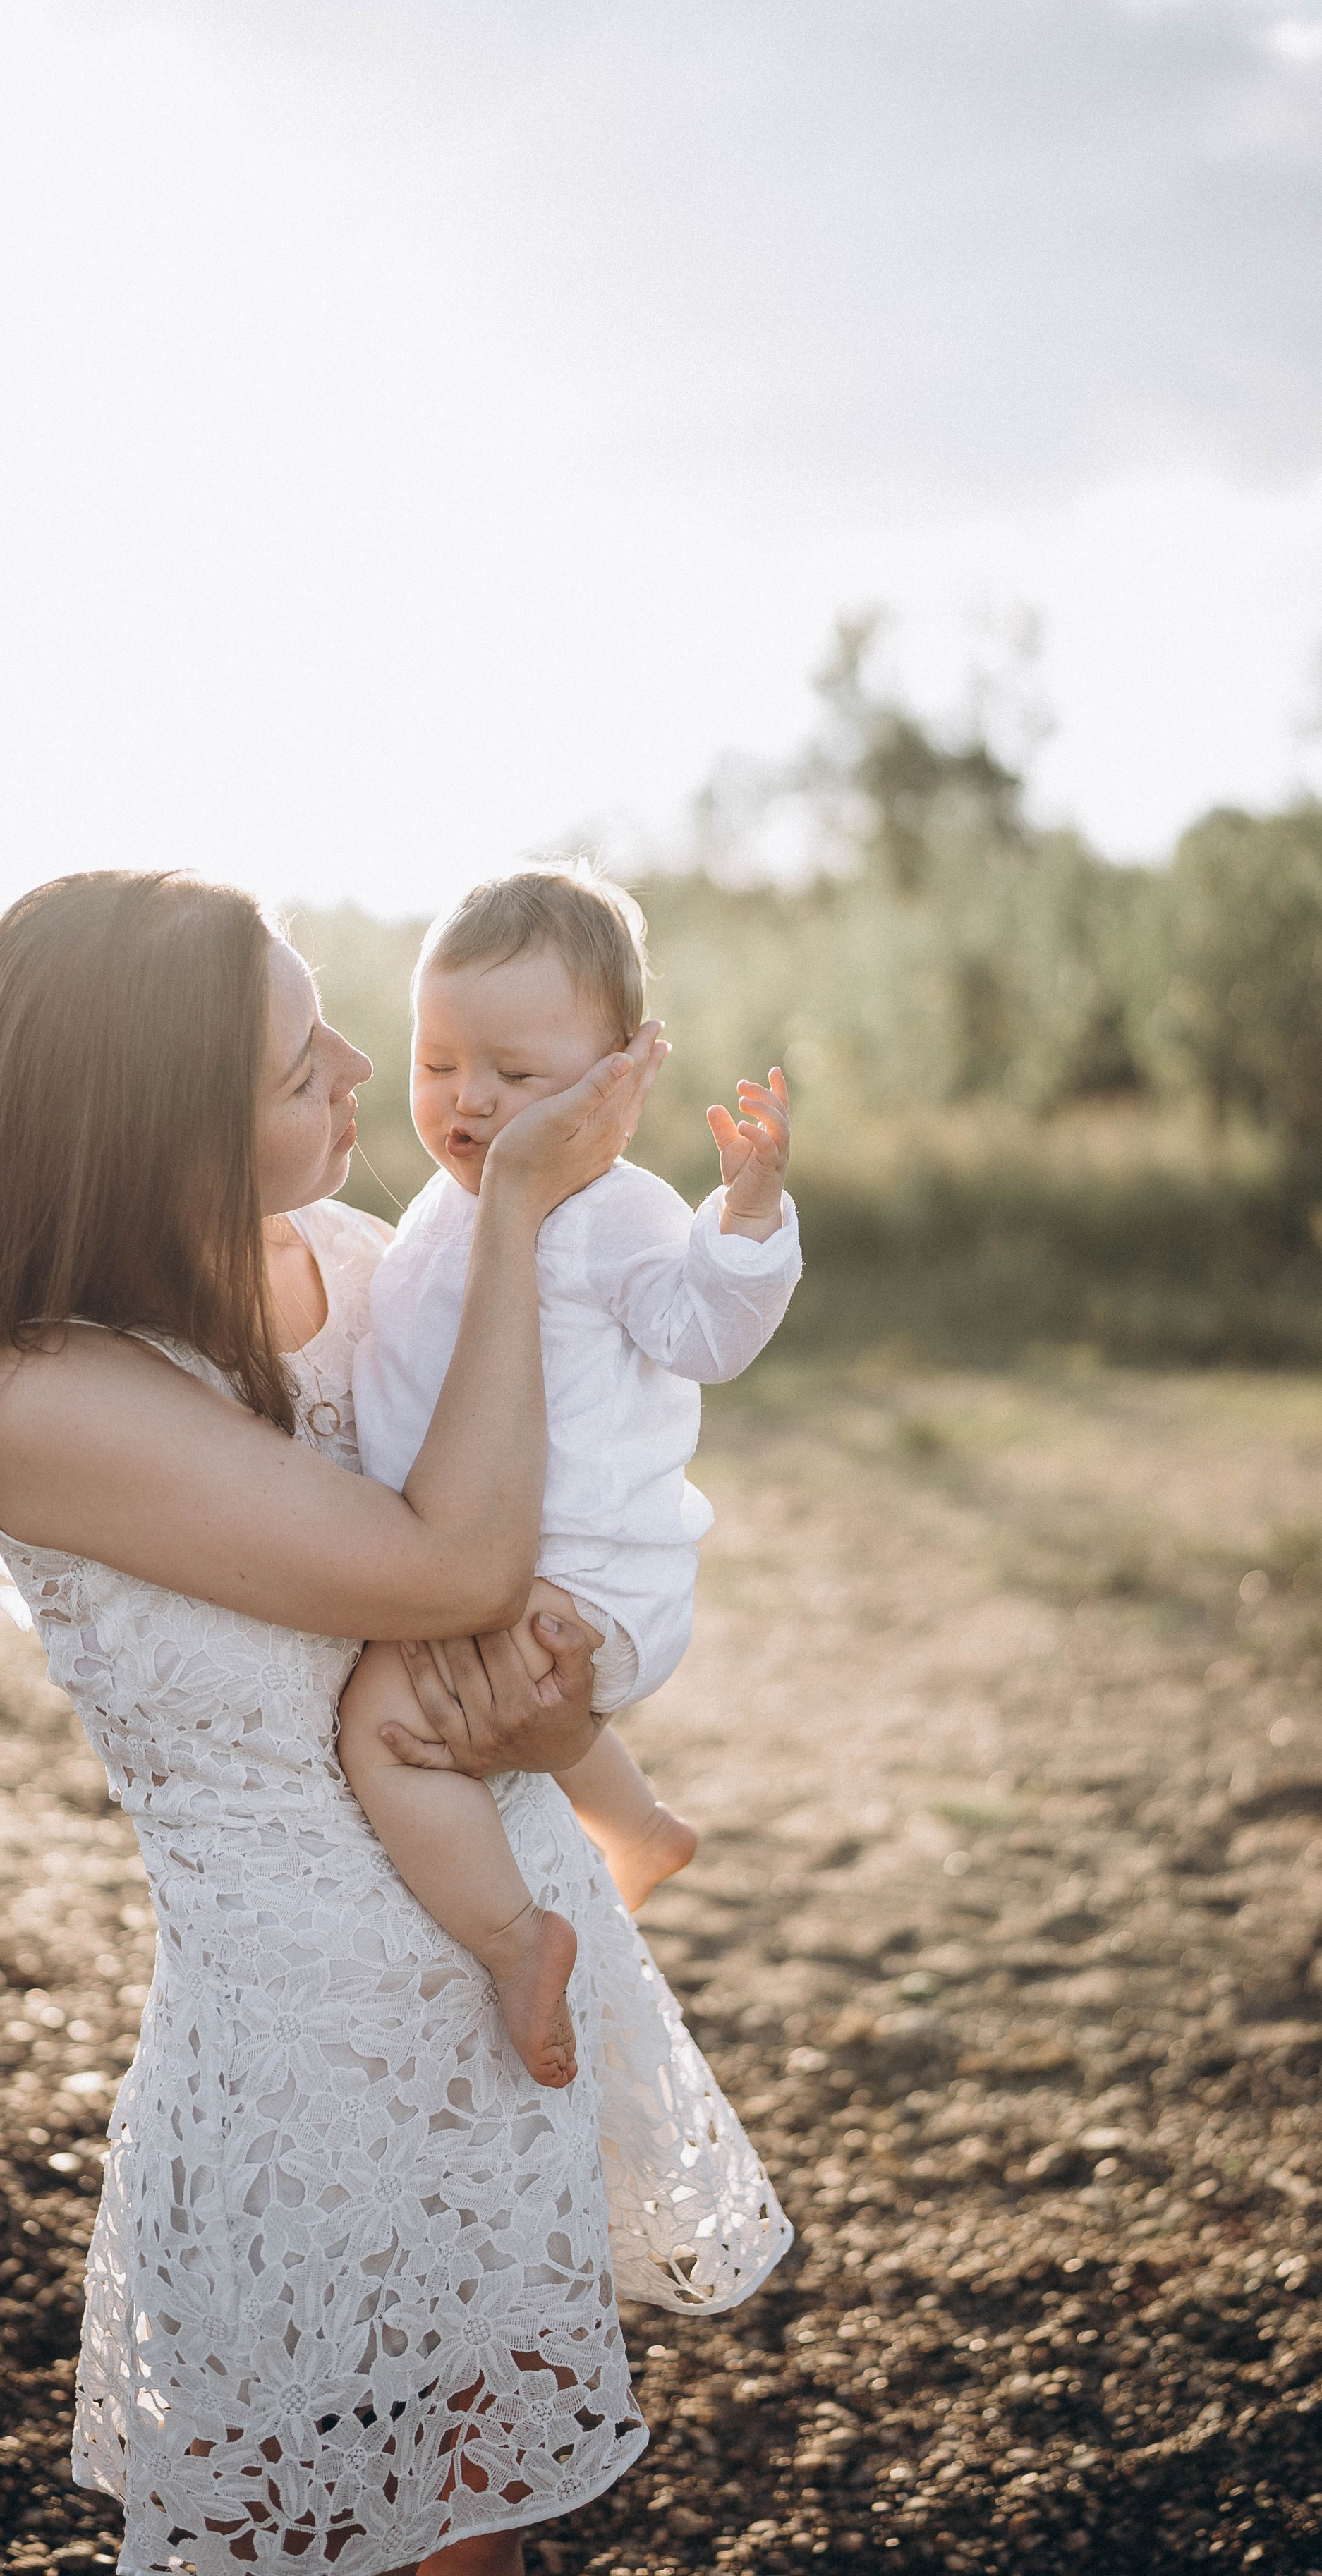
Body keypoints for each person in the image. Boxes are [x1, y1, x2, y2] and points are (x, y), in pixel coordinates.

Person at [0, 869, 791, 2576]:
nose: (367, 1066)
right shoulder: (48, 1397)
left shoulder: (374, 1265)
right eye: (304, 1063)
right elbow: (450, 1560)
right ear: (156, 1129)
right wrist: (520, 1209)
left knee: (483, 2536)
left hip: (498, 1999)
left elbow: (563, 1499)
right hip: (307, 2070)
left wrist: (554, 1694)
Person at [342, 868, 800, 2089]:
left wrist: (745, 1221)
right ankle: (640, 1826)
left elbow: (707, 1335)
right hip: (485, 1557)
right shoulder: (431, 1224)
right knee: (439, 1660)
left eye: (516, 1073)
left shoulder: (618, 1213)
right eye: (438, 1064)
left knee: (383, 1724)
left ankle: (512, 1941)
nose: (470, 1100)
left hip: (594, 1576)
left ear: (617, 1081)